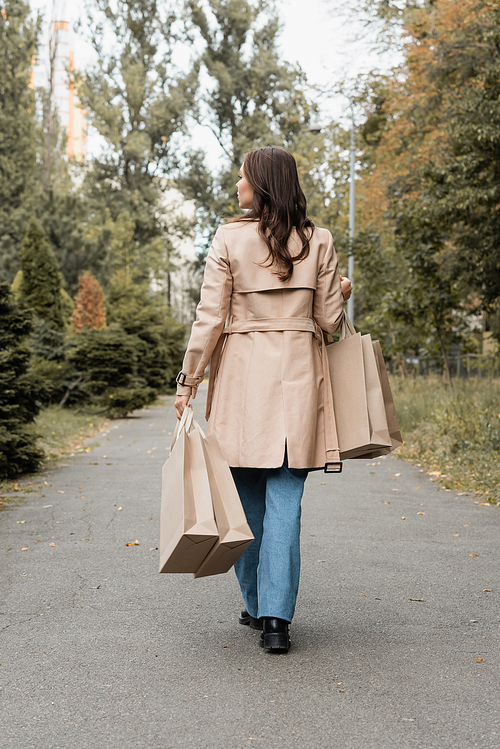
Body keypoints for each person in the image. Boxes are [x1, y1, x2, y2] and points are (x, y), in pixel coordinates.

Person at [174, 146, 352, 653]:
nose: (237, 184)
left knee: (247, 502)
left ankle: (256, 605)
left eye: (243, 177)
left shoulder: (229, 237)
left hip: (242, 380)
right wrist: (341, 289)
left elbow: (209, 319)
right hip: (299, 375)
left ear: (262, 184)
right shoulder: (319, 240)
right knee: (286, 502)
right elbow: (328, 322)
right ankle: (276, 619)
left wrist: (187, 383)